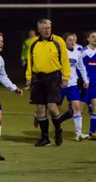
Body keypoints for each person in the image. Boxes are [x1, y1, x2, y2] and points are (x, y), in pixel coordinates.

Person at [25, 18, 71, 146]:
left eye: (48, 28)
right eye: (44, 28)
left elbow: (65, 60)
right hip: (38, 79)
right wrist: (28, 77)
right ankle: (45, 138)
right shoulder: (33, 42)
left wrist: (66, 77)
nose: (47, 30)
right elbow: (30, 60)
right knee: (40, 109)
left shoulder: (58, 41)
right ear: (39, 30)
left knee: (52, 107)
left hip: (53, 78)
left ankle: (57, 130)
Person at [58, 32, 89, 141]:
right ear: (65, 41)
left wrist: (85, 79)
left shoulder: (77, 52)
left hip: (72, 84)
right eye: (70, 40)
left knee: (76, 106)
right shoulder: (60, 52)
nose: (72, 42)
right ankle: (38, 115)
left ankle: (78, 133)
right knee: (55, 110)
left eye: (73, 40)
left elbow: (81, 67)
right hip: (60, 85)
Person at [0, 32, 24, 160]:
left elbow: (3, 76)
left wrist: (14, 88)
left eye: (2, 41)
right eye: (0, 41)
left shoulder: (0, 60)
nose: (1, 43)